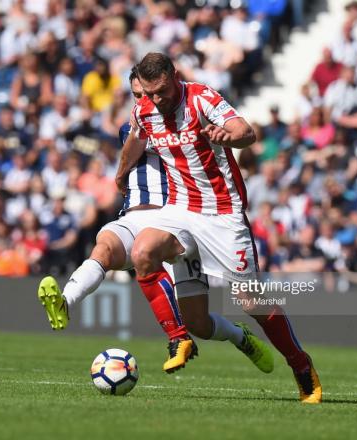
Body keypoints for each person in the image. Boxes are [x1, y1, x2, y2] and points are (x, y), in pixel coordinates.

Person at [37, 67, 273, 374]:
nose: (146, 101)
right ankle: (65, 303)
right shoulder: (137, 124)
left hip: (181, 222)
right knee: (104, 247)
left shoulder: (179, 120)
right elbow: (126, 147)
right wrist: (120, 173)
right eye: (139, 96)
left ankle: (241, 338)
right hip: (137, 217)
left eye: (149, 94)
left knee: (199, 323)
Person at [116, 53, 321, 403]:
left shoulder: (201, 97)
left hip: (222, 213)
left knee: (250, 300)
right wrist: (121, 173)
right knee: (143, 252)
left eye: (163, 91)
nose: (157, 100)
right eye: (150, 94)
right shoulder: (144, 110)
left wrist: (228, 137)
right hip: (179, 210)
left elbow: (247, 132)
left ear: (174, 77)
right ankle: (179, 337)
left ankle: (301, 364)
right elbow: (136, 138)